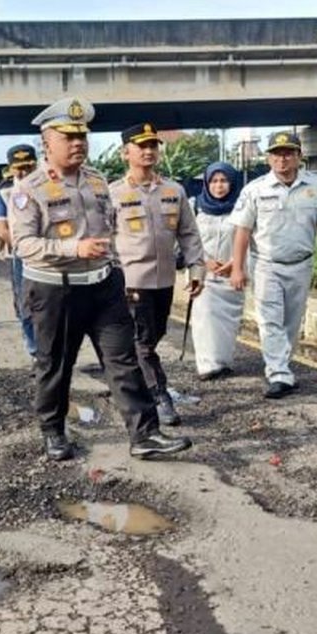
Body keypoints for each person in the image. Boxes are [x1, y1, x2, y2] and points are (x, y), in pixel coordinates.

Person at [7, 96, 191, 461]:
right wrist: (75, 248)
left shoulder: (97, 181)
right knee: (55, 365)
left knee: (124, 361)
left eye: (82, 137)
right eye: (68, 137)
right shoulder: (28, 189)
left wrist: (119, 271)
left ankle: (145, 434)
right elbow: (23, 244)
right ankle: (53, 432)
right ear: (47, 141)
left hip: (103, 286)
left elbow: (111, 230)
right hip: (54, 289)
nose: (78, 144)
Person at [229, 131, 317, 399]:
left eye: (288, 153)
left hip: (301, 264)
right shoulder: (254, 190)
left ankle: (283, 367)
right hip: (266, 264)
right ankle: (278, 373)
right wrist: (237, 267)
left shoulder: (316, 186)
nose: (282, 159)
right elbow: (242, 231)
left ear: (299, 157)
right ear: (268, 158)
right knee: (270, 320)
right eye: (277, 154)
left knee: (292, 321)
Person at [109, 122, 205, 426]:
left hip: (164, 281)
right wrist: (111, 276)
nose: (149, 151)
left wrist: (196, 267)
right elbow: (103, 236)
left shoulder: (173, 191)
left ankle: (130, 385)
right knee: (142, 342)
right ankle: (158, 394)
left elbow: (189, 234)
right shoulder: (113, 194)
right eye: (142, 146)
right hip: (130, 281)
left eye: (153, 146)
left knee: (153, 335)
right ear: (126, 153)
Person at [190, 161, 245, 380]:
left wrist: (235, 262)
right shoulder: (196, 206)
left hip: (233, 272)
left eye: (224, 181)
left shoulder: (243, 207)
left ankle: (223, 362)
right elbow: (187, 238)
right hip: (205, 273)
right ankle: (207, 364)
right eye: (214, 181)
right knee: (205, 316)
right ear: (206, 183)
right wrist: (204, 260)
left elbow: (251, 237)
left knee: (227, 323)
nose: (219, 186)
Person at [0, 144, 39, 357]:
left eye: (29, 166)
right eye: (19, 168)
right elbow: (1, 229)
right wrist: (27, 248)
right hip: (22, 255)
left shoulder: (51, 184)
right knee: (25, 303)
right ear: (10, 168)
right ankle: (35, 350)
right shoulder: (4, 191)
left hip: (52, 254)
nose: (24, 172)